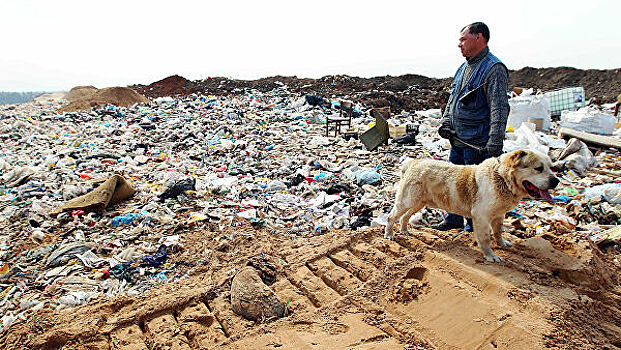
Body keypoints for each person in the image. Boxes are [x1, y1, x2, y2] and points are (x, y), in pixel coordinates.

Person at [434, 22, 510, 232]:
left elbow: (499, 108)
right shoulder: (464, 67)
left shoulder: (493, 69)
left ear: (479, 38)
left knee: (475, 189)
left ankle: (473, 228)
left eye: (463, 39)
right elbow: (453, 98)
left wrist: (495, 142)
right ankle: (453, 219)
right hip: (458, 141)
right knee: (453, 184)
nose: (459, 45)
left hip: (477, 144)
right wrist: (447, 122)